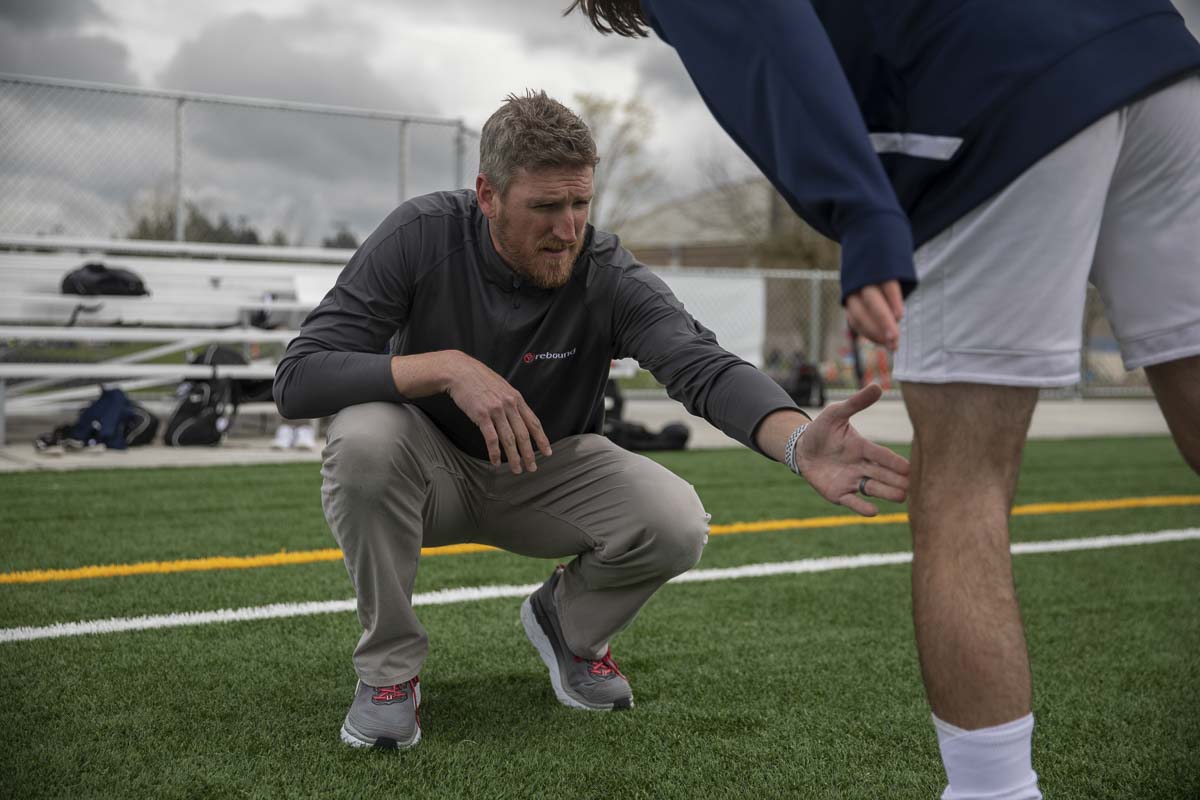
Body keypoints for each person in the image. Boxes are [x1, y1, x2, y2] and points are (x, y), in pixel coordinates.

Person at [562, 1, 1200, 797]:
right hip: (1155, 54)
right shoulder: (437, 240)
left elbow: (762, 27)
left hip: (994, 93)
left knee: (961, 485)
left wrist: (860, 208)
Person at [273, 91, 910, 750]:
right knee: (364, 438)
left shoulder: (605, 272)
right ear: (488, 195)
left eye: (581, 203)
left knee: (676, 519)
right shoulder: (421, 234)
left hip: (544, 469)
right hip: (427, 474)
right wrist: (446, 369)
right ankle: (388, 674)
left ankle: (570, 628)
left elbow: (701, 365)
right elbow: (298, 377)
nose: (568, 228)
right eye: (545, 207)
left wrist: (799, 440)